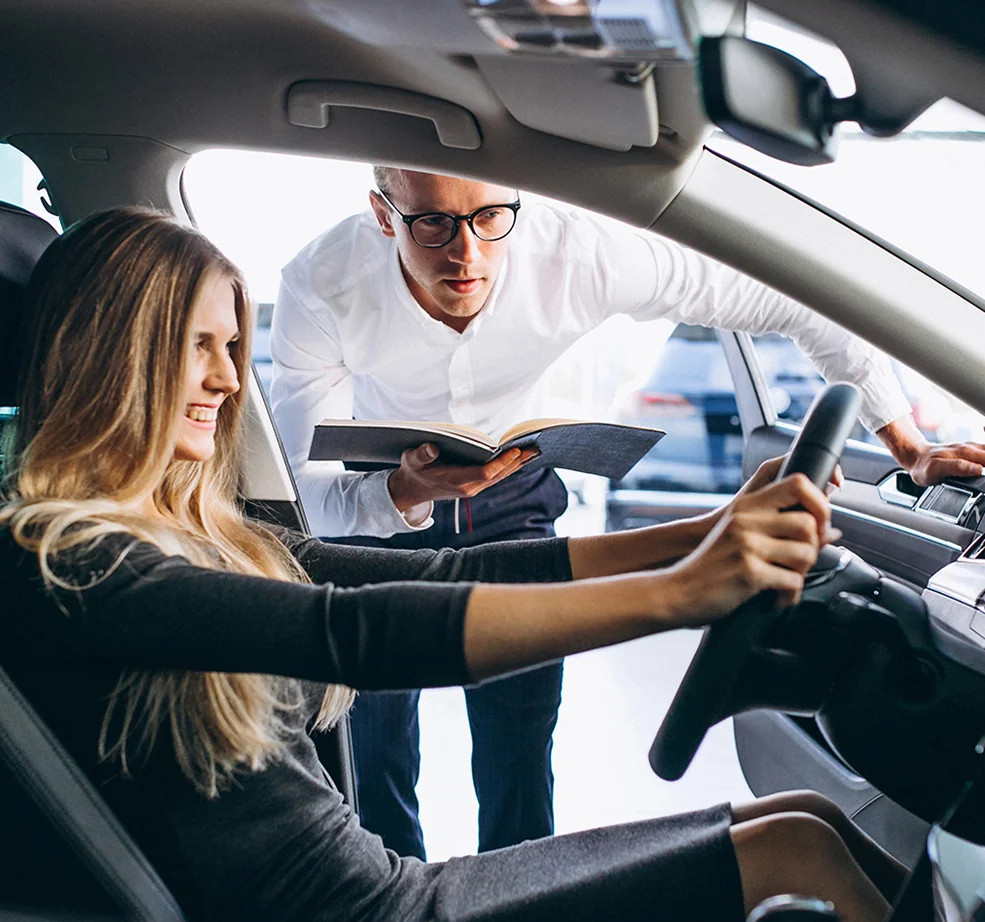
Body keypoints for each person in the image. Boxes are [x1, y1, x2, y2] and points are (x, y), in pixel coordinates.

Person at [0, 207, 905, 922]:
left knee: (802, 823)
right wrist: (682, 594)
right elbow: (356, 634)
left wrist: (697, 535)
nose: (231, 379)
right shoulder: (66, 559)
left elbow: (431, 579)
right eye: (198, 347)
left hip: (378, 899)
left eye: (232, 346)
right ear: (112, 351)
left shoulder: (191, 531)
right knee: (796, 866)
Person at [269, 168, 985, 860]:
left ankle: (515, 914)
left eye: (490, 218)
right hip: (381, 495)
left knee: (520, 730)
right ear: (382, 213)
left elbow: (800, 300)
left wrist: (907, 445)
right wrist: (406, 492)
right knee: (376, 738)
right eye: (432, 224)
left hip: (515, 486)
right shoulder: (321, 282)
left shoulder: (579, 254)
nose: (467, 252)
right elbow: (313, 494)